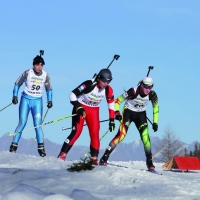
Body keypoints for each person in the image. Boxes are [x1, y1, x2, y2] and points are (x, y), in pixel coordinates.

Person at [99, 77, 159, 170]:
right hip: (128, 112)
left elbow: (156, 107)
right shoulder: (133, 91)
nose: (148, 90)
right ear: (142, 85)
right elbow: (118, 101)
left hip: (141, 115)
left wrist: (155, 122)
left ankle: (149, 161)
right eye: (146, 87)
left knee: (145, 137)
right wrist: (117, 113)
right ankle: (105, 156)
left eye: (150, 87)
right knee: (121, 135)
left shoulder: (153, 94)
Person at [57, 68, 115, 165]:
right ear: (99, 78)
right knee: (77, 132)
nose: (106, 83)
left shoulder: (108, 89)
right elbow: (72, 95)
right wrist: (78, 107)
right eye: (104, 81)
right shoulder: (89, 84)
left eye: (109, 81)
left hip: (94, 110)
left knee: (95, 133)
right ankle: (62, 154)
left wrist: (112, 119)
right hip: (81, 108)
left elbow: (111, 104)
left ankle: (94, 158)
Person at [9, 52, 53, 157]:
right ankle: (14, 145)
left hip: (37, 102)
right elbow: (17, 83)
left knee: (38, 125)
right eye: (37, 64)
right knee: (22, 122)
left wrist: (49, 100)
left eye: (41, 65)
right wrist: (15, 96)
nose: (39, 67)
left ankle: (41, 148)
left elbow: (49, 89)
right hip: (26, 100)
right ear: (34, 65)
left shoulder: (45, 75)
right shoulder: (28, 73)